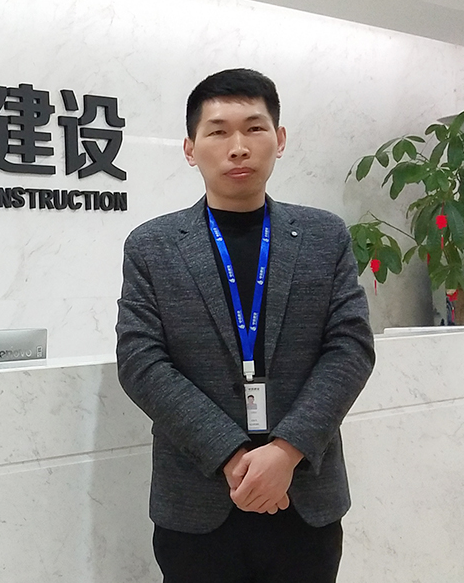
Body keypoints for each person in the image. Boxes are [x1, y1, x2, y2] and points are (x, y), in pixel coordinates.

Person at [115, 68, 375, 583]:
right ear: (190, 149)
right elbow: (141, 362)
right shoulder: (152, 246)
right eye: (217, 132)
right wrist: (231, 454)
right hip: (197, 500)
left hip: (304, 496)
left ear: (279, 139)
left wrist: (286, 451)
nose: (238, 147)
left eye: (254, 128)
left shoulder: (324, 236)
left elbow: (350, 348)